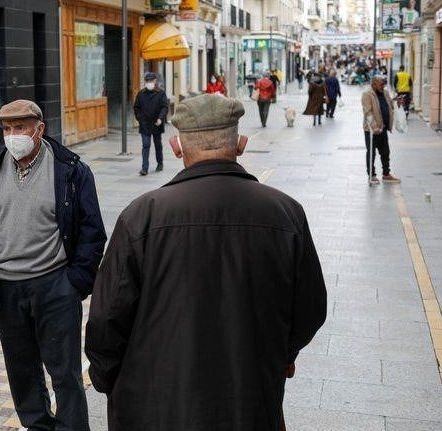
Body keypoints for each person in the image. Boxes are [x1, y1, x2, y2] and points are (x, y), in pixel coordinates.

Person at [85, 93, 327, 431]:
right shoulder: (286, 213)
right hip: (249, 400)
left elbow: (106, 318)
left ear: (176, 146)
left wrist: (106, 377)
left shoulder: (142, 216)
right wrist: (281, 355)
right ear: (241, 144)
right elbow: (311, 309)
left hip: (154, 405)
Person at [0, 99, 107, 430]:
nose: (12, 135)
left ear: (39, 129)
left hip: (55, 285)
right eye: (7, 129)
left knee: (65, 373)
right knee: (22, 372)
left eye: (20, 128)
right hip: (7, 289)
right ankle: (38, 425)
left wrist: (75, 284)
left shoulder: (71, 170)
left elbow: (92, 231)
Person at [362, 75, 401, 184]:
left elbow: (389, 105)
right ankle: (372, 175)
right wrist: (374, 127)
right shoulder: (367, 94)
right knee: (371, 153)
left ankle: (386, 174)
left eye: (384, 84)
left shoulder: (385, 93)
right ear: (373, 84)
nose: (383, 86)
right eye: (381, 84)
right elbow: (368, 112)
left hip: (382, 128)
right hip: (371, 130)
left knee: (385, 152)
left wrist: (396, 101)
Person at [133, 72, 169, 175]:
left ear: (155, 81)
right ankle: (144, 168)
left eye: (151, 81)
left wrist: (160, 118)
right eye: (147, 81)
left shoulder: (161, 93)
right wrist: (140, 118)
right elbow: (136, 108)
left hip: (156, 123)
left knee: (158, 145)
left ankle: (160, 163)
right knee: (146, 145)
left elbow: (164, 107)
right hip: (145, 124)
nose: (149, 83)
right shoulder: (141, 94)